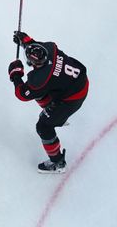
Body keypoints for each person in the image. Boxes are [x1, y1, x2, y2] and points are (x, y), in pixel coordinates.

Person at [9, 31, 89, 174]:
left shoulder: (40, 80)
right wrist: (25, 40)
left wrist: (15, 75)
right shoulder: (51, 48)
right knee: (41, 93)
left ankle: (58, 163)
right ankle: (56, 116)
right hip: (77, 82)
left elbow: (22, 94)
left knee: (43, 126)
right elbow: (36, 45)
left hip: (72, 98)